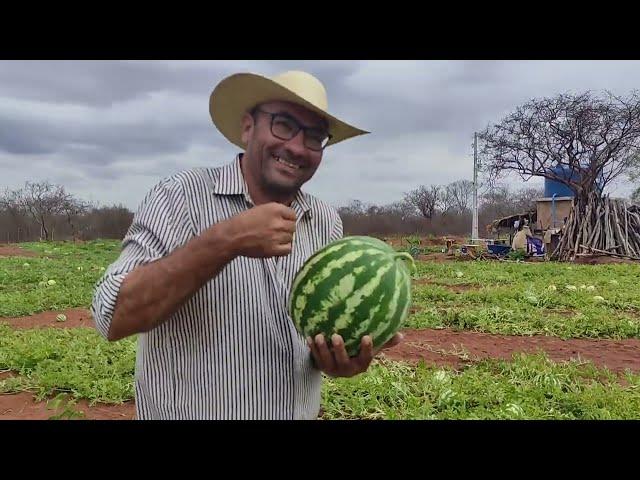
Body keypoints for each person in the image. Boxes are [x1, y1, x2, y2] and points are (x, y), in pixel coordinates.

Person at [91, 70, 403, 420]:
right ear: (247, 127)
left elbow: (310, 338)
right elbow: (112, 315)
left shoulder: (324, 220)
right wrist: (226, 240)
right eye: (283, 124)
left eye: (315, 136)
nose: (297, 147)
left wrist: (333, 360)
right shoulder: (180, 196)